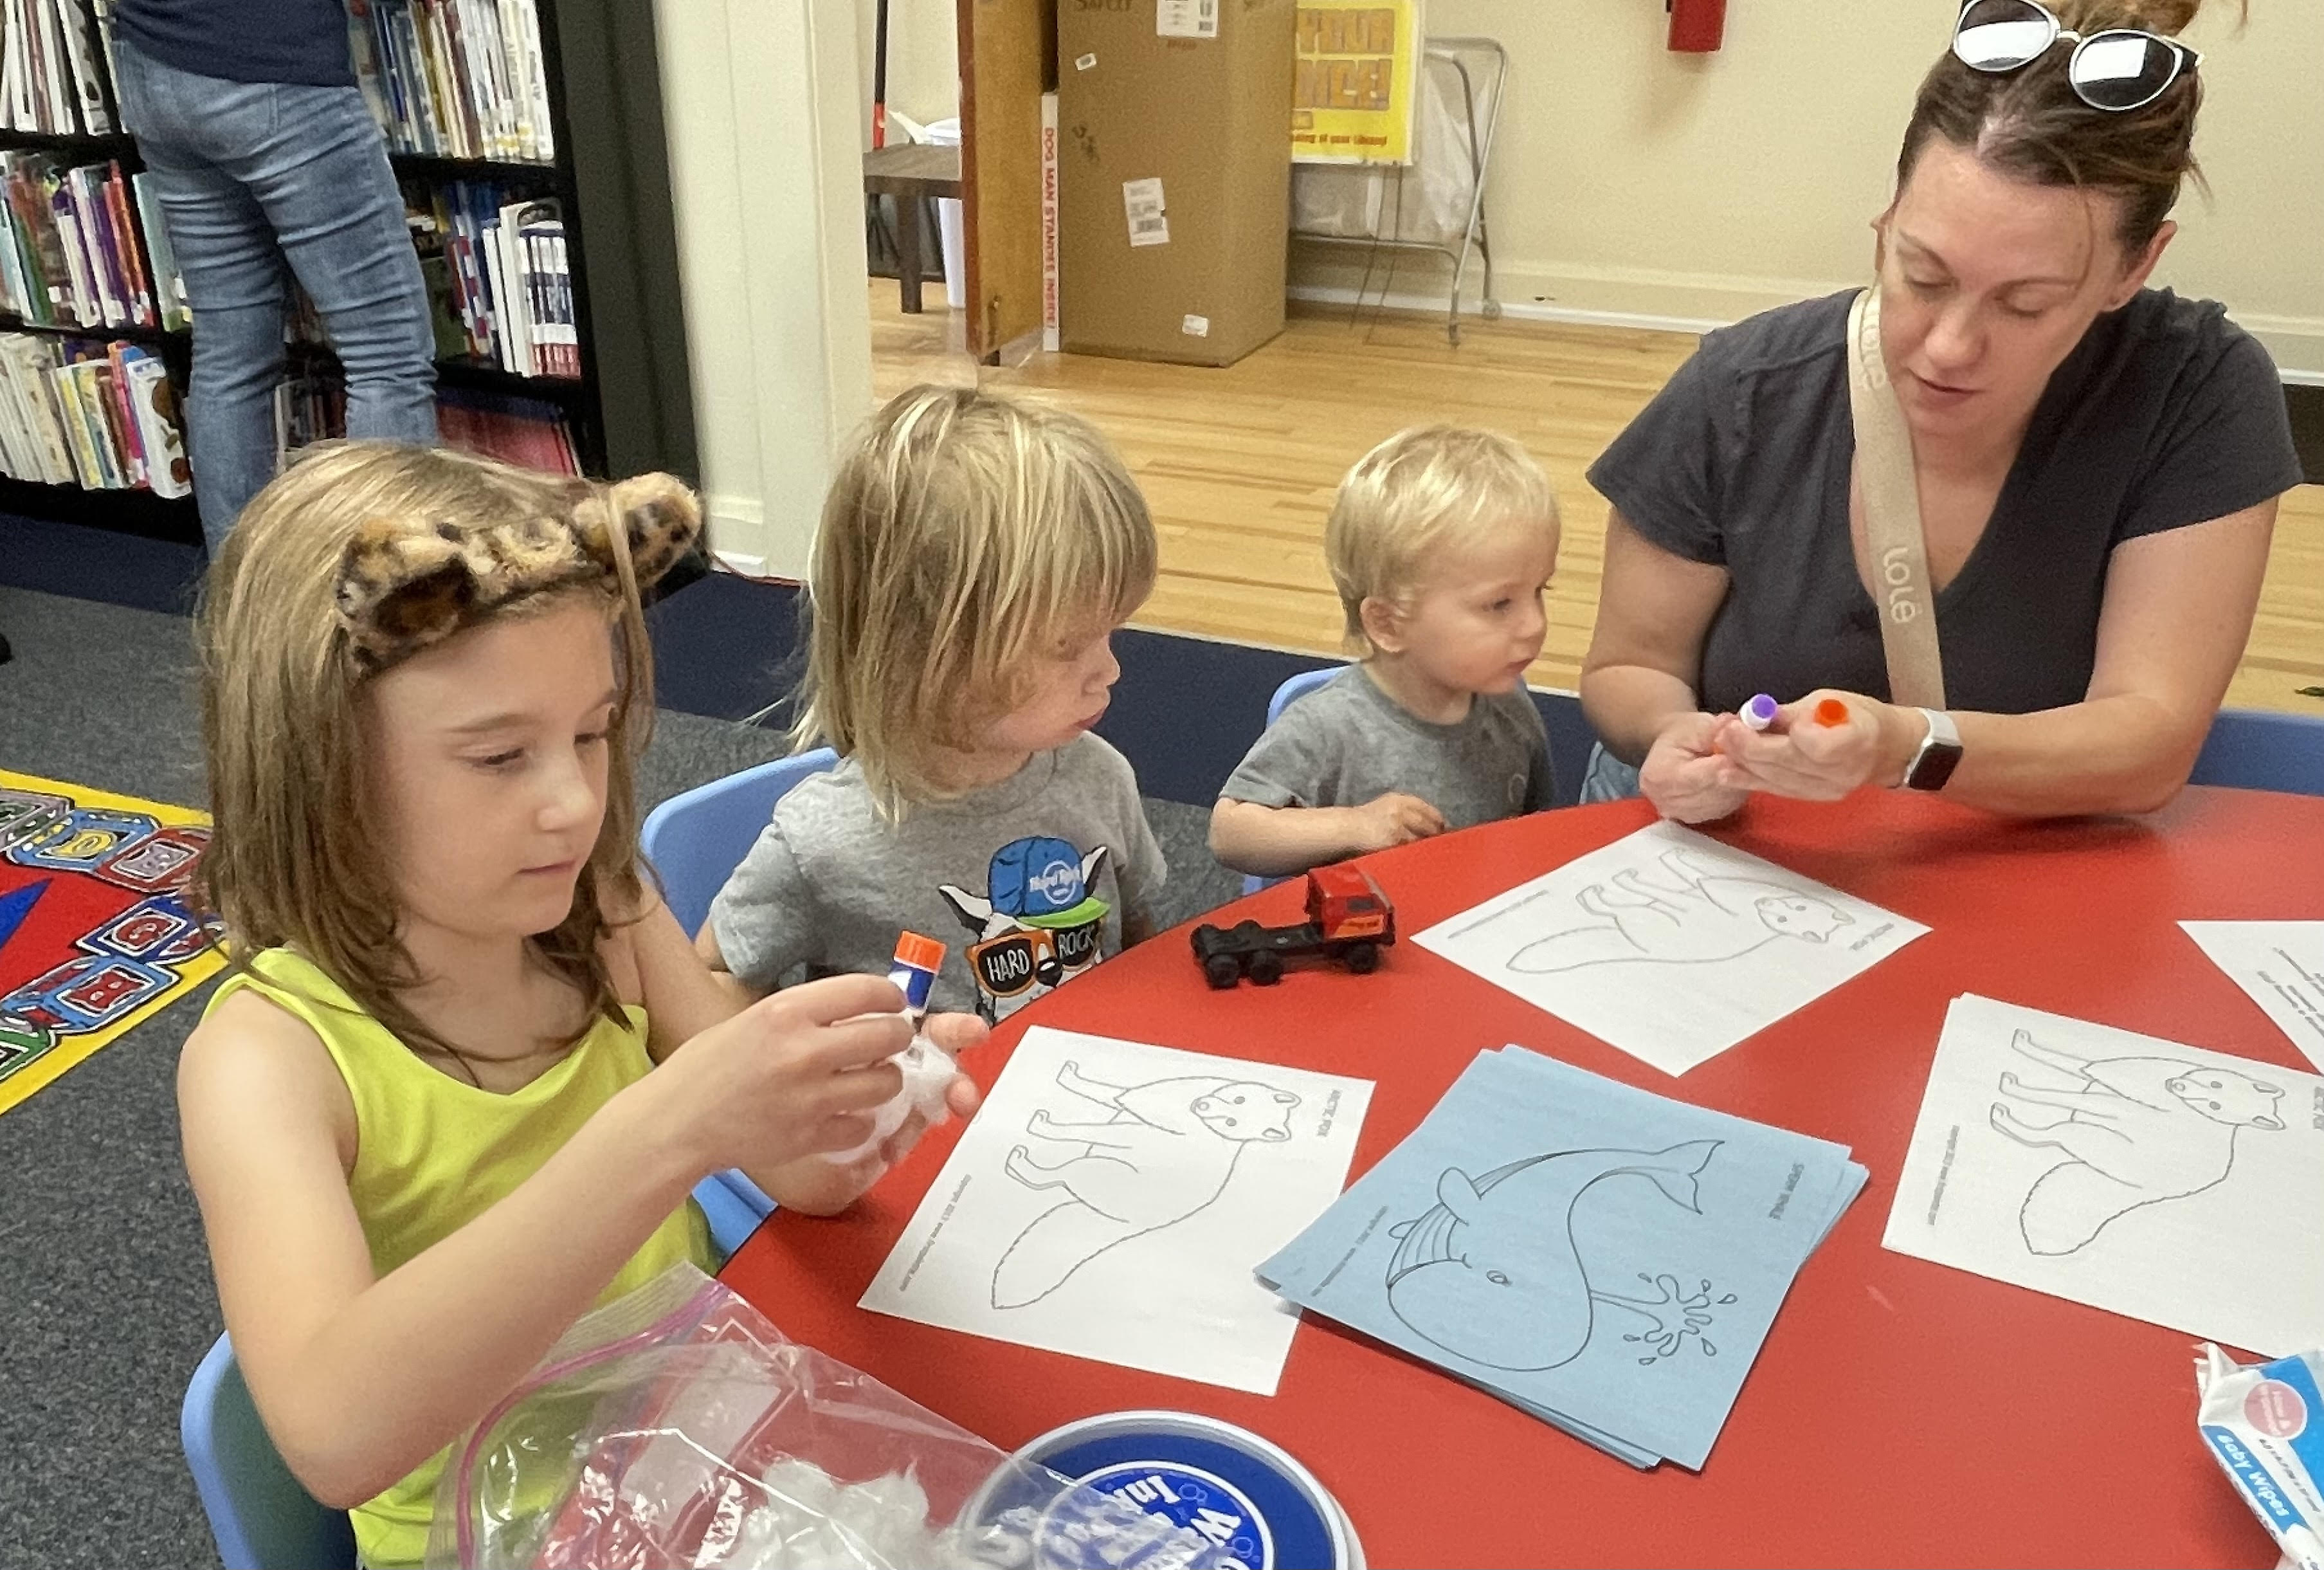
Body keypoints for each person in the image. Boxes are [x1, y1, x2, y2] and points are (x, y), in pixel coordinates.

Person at [180, 442, 984, 1570]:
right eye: (500, 755)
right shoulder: (268, 1061)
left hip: (712, 1447)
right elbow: (333, 1434)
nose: (572, 801)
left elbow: (798, 1174)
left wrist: (863, 1097)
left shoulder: (603, 910)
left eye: (591, 734)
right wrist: (666, 1131)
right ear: (315, 764)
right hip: (489, 1533)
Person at [1579, 0, 2301, 824]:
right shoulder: (1745, 389)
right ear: (1884, 221)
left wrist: (1904, 747)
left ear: (2132, 269)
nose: (1950, 345)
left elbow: (2144, 747)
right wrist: (1677, 734)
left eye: (2024, 305)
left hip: (2009, 889)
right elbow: (1627, 666)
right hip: (1744, 872)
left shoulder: (2194, 392)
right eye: (1920, 275)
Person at [701, 385, 1167, 1027]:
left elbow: (1142, 945)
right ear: (927, 651)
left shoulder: (1099, 777)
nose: (1109, 670)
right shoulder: (823, 844)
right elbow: (709, 984)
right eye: (1066, 646)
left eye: (1111, 631)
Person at [109, 0, 439, 552]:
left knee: (229, 357)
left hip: (152, 65)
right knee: (387, 357)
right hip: (275, 63)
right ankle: (392, 612)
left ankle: (245, 616)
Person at [1210, 426, 1560, 879]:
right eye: (1500, 604)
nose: (1534, 624)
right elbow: (1230, 831)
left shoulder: (1512, 709)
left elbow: (1542, 830)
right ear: (1388, 624)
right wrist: (1353, 825)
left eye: (1540, 591)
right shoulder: (1329, 726)